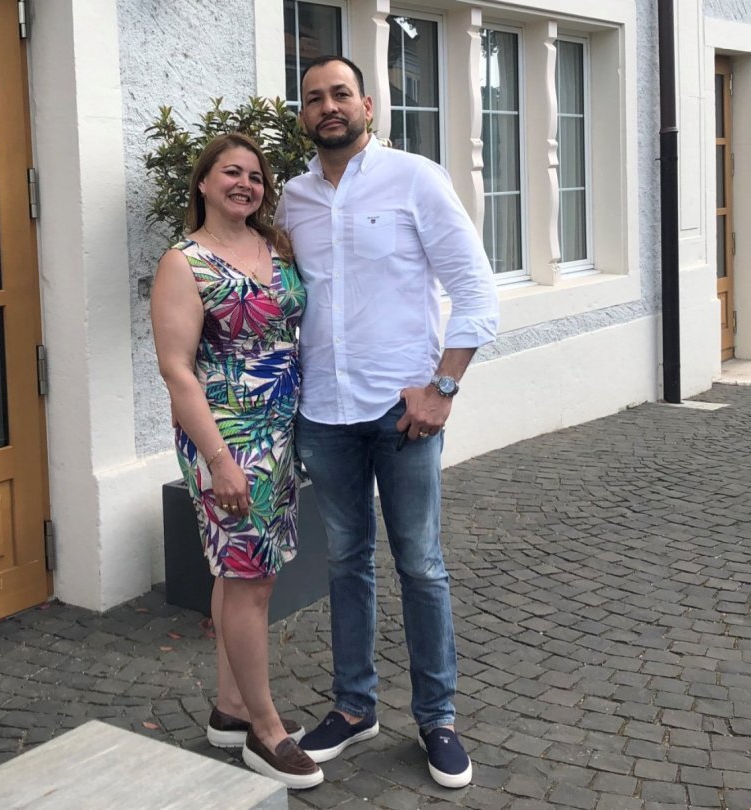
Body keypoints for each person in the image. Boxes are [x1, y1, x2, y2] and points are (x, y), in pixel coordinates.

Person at [275, 56, 500, 789]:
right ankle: (353, 707)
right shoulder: (293, 199)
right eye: (315, 98)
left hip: (402, 414)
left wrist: (443, 389)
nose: (328, 106)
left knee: (421, 565)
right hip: (325, 415)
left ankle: (437, 717)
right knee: (345, 563)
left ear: (368, 105)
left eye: (341, 94)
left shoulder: (415, 177)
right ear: (303, 115)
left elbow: (474, 289)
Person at [150, 132, 322, 790]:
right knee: (248, 581)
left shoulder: (275, 247)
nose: (245, 184)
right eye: (231, 172)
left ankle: (229, 707)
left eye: (255, 175)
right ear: (202, 182)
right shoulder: (183, 262)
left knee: (251, 576)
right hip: (225, 440)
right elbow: (176, 369)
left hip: (278, 434)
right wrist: (220, 461)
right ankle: (264, 727)